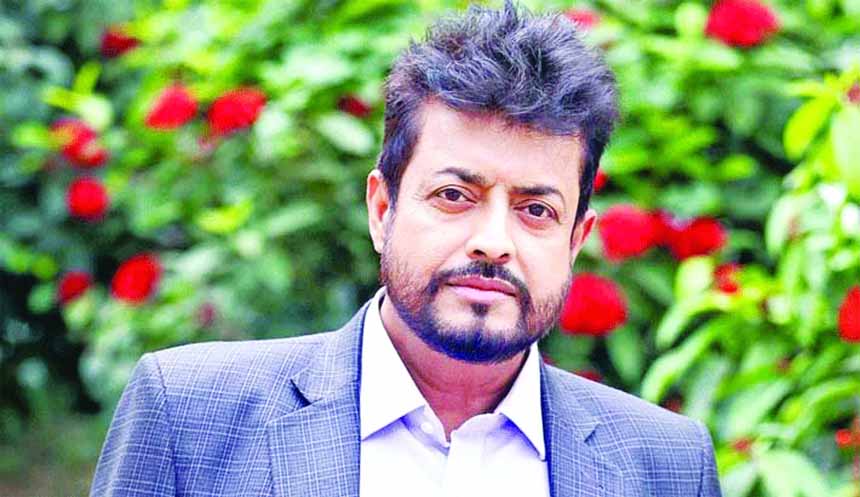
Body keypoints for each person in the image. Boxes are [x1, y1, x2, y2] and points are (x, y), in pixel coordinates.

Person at [90, 2, 722, 496]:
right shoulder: (189, 413)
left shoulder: (665, 465)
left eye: (536, 210)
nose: (493, 242)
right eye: (454, 196)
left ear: (576, 240)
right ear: (382, 210)